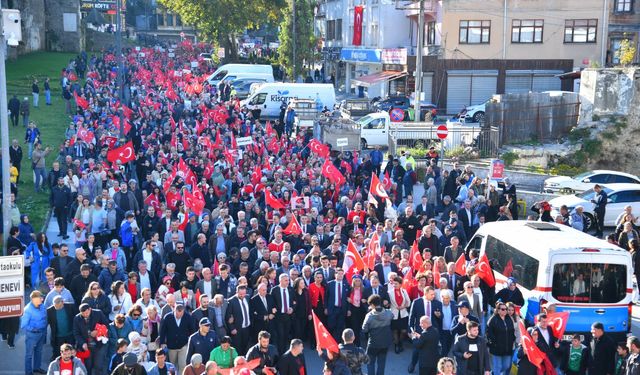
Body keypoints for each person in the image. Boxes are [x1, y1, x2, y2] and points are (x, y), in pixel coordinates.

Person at [73, 303, 110, 375]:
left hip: (99, 344)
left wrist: (98, 331)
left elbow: (107, 325)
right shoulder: (77, 318)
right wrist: (82, 343)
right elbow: (76, 333)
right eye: (83, 314)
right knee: (88, 366)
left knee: (98, 366)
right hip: (87, 347)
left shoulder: (98, 313)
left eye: (86, 313)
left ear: (90, 309)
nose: (85, 315)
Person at [361, 294, 393, 375]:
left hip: (373, 344)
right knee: (381, 364)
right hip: (385, 343)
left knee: (370, 363)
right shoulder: (388, 313)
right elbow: (392, 317)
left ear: (372, 305)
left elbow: (364, 329)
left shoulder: (369, 316)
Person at [159, 303, 195, 374]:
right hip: (171, 346)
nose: (179, 316)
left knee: (182, 365)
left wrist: (191, 343)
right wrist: (162, 342)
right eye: (177, 314)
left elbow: (192, 330)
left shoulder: (187, 317)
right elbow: (162, 331)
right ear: (174, 310)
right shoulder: (168, 317)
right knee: (172, 365)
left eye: (181, 314)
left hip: (183, 345)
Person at [22, 290, 48, 375]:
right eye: (40, 298)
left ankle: (36, 368)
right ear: (34, 299)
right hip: (32, 335)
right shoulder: (27, 310)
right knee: (29, 355)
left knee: (39, 351)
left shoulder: (42, 306)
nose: (42, 299)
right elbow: (23, 325)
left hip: (42, 332)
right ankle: (28, 372)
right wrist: (33, 329)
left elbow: (45, 317)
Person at [486, 302, 516, 375]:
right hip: (496, 349)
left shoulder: (509, 319)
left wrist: (513, 340)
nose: (505, 310)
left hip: (507, 348)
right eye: (503, 309)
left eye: (506, 309)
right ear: (498, 310)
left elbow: (512, 331)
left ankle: (494, 373)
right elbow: (488, 333)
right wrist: (494, 343)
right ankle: (496, 372)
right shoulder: (493, 320)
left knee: (506, 365)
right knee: (498, 367)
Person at [46, 295, 76, 360]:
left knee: (71, 353)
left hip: (70, 335)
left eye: (58, 306)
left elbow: (76, 319)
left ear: (62, 302)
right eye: (55, 306)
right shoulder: (49, 310)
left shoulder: (71, 307)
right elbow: (46, 323)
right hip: (58, 336)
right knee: (58, 354)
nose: (56, 308)